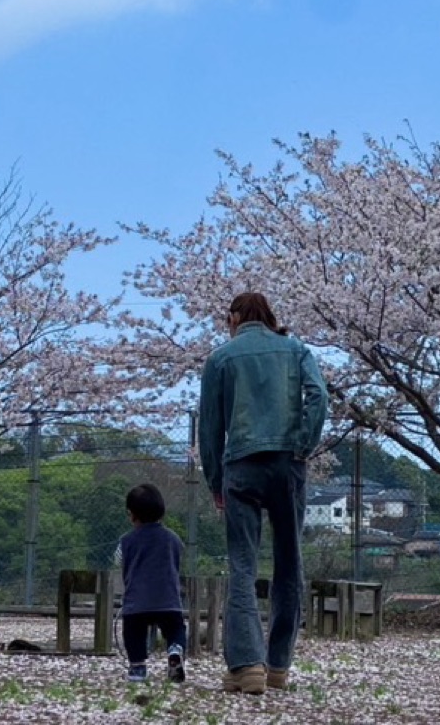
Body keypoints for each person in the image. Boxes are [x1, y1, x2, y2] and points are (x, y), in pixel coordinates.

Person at [199, 292, 328, 695]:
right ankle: (278, 666)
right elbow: (319, 396)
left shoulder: (221, 358)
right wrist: (303, 445)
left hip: (241, 466)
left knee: (243, 565)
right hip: (287, 463)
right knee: (289, 562)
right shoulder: (295, 350)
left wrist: (216, 482)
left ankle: (246, 664)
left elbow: (209, 429)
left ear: (235, 317)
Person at [118, 482, 187, 683]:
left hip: (137, 601)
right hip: (168, 599)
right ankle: (175, 649)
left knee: (133, 633)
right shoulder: (173, 539)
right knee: (175, 629)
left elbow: (119, 561)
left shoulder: (127, 540)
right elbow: (177, 560)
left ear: (131, 514)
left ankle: (138, 667)